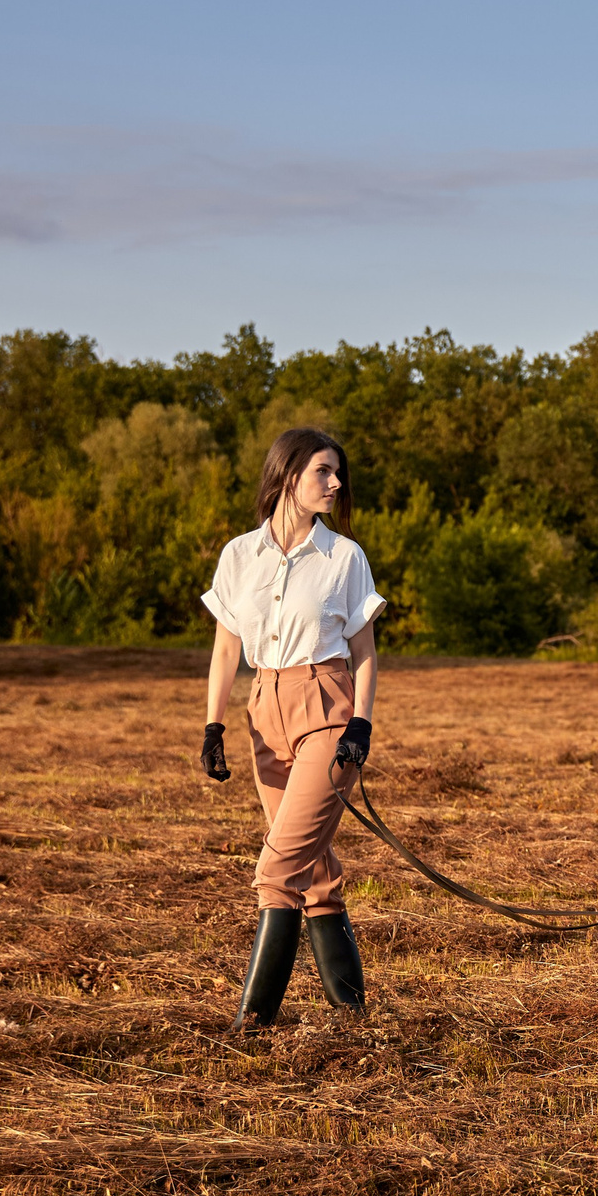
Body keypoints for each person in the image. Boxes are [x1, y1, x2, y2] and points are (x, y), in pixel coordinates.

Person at [198, 427, 387, 1032]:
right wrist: (213, 725)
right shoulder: (238, 555)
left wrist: (360, 722)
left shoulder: (343, 556)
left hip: (327, 711)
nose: (334, 484)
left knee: (276, 871)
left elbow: (364, 650)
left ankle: (250, 1028)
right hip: (263, 710)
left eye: (337, 474)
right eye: (322, 472)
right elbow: (227, 647)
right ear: (286, 475)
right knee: (315, 875)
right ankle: (352, 1020)